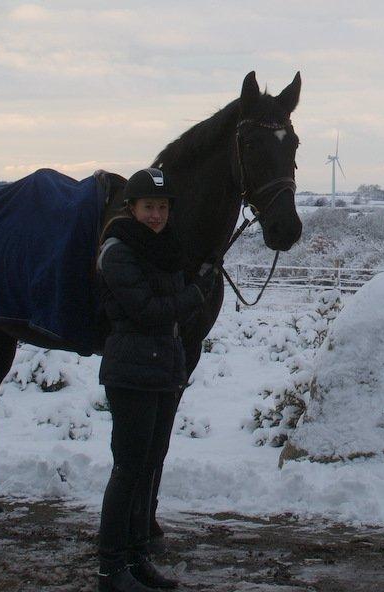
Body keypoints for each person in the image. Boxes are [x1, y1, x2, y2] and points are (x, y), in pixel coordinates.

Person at [95, 168, 216, 592]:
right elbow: (147, 311)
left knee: (148, 467)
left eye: (163, 208)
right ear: (133, 208)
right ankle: (110, 570)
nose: (157, 216)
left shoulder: (162, 248)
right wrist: (195, 293)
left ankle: (138, 558)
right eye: (149, 207)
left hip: (163, 366)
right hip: (131, 370)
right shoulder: (118, 251)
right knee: (128, 468)